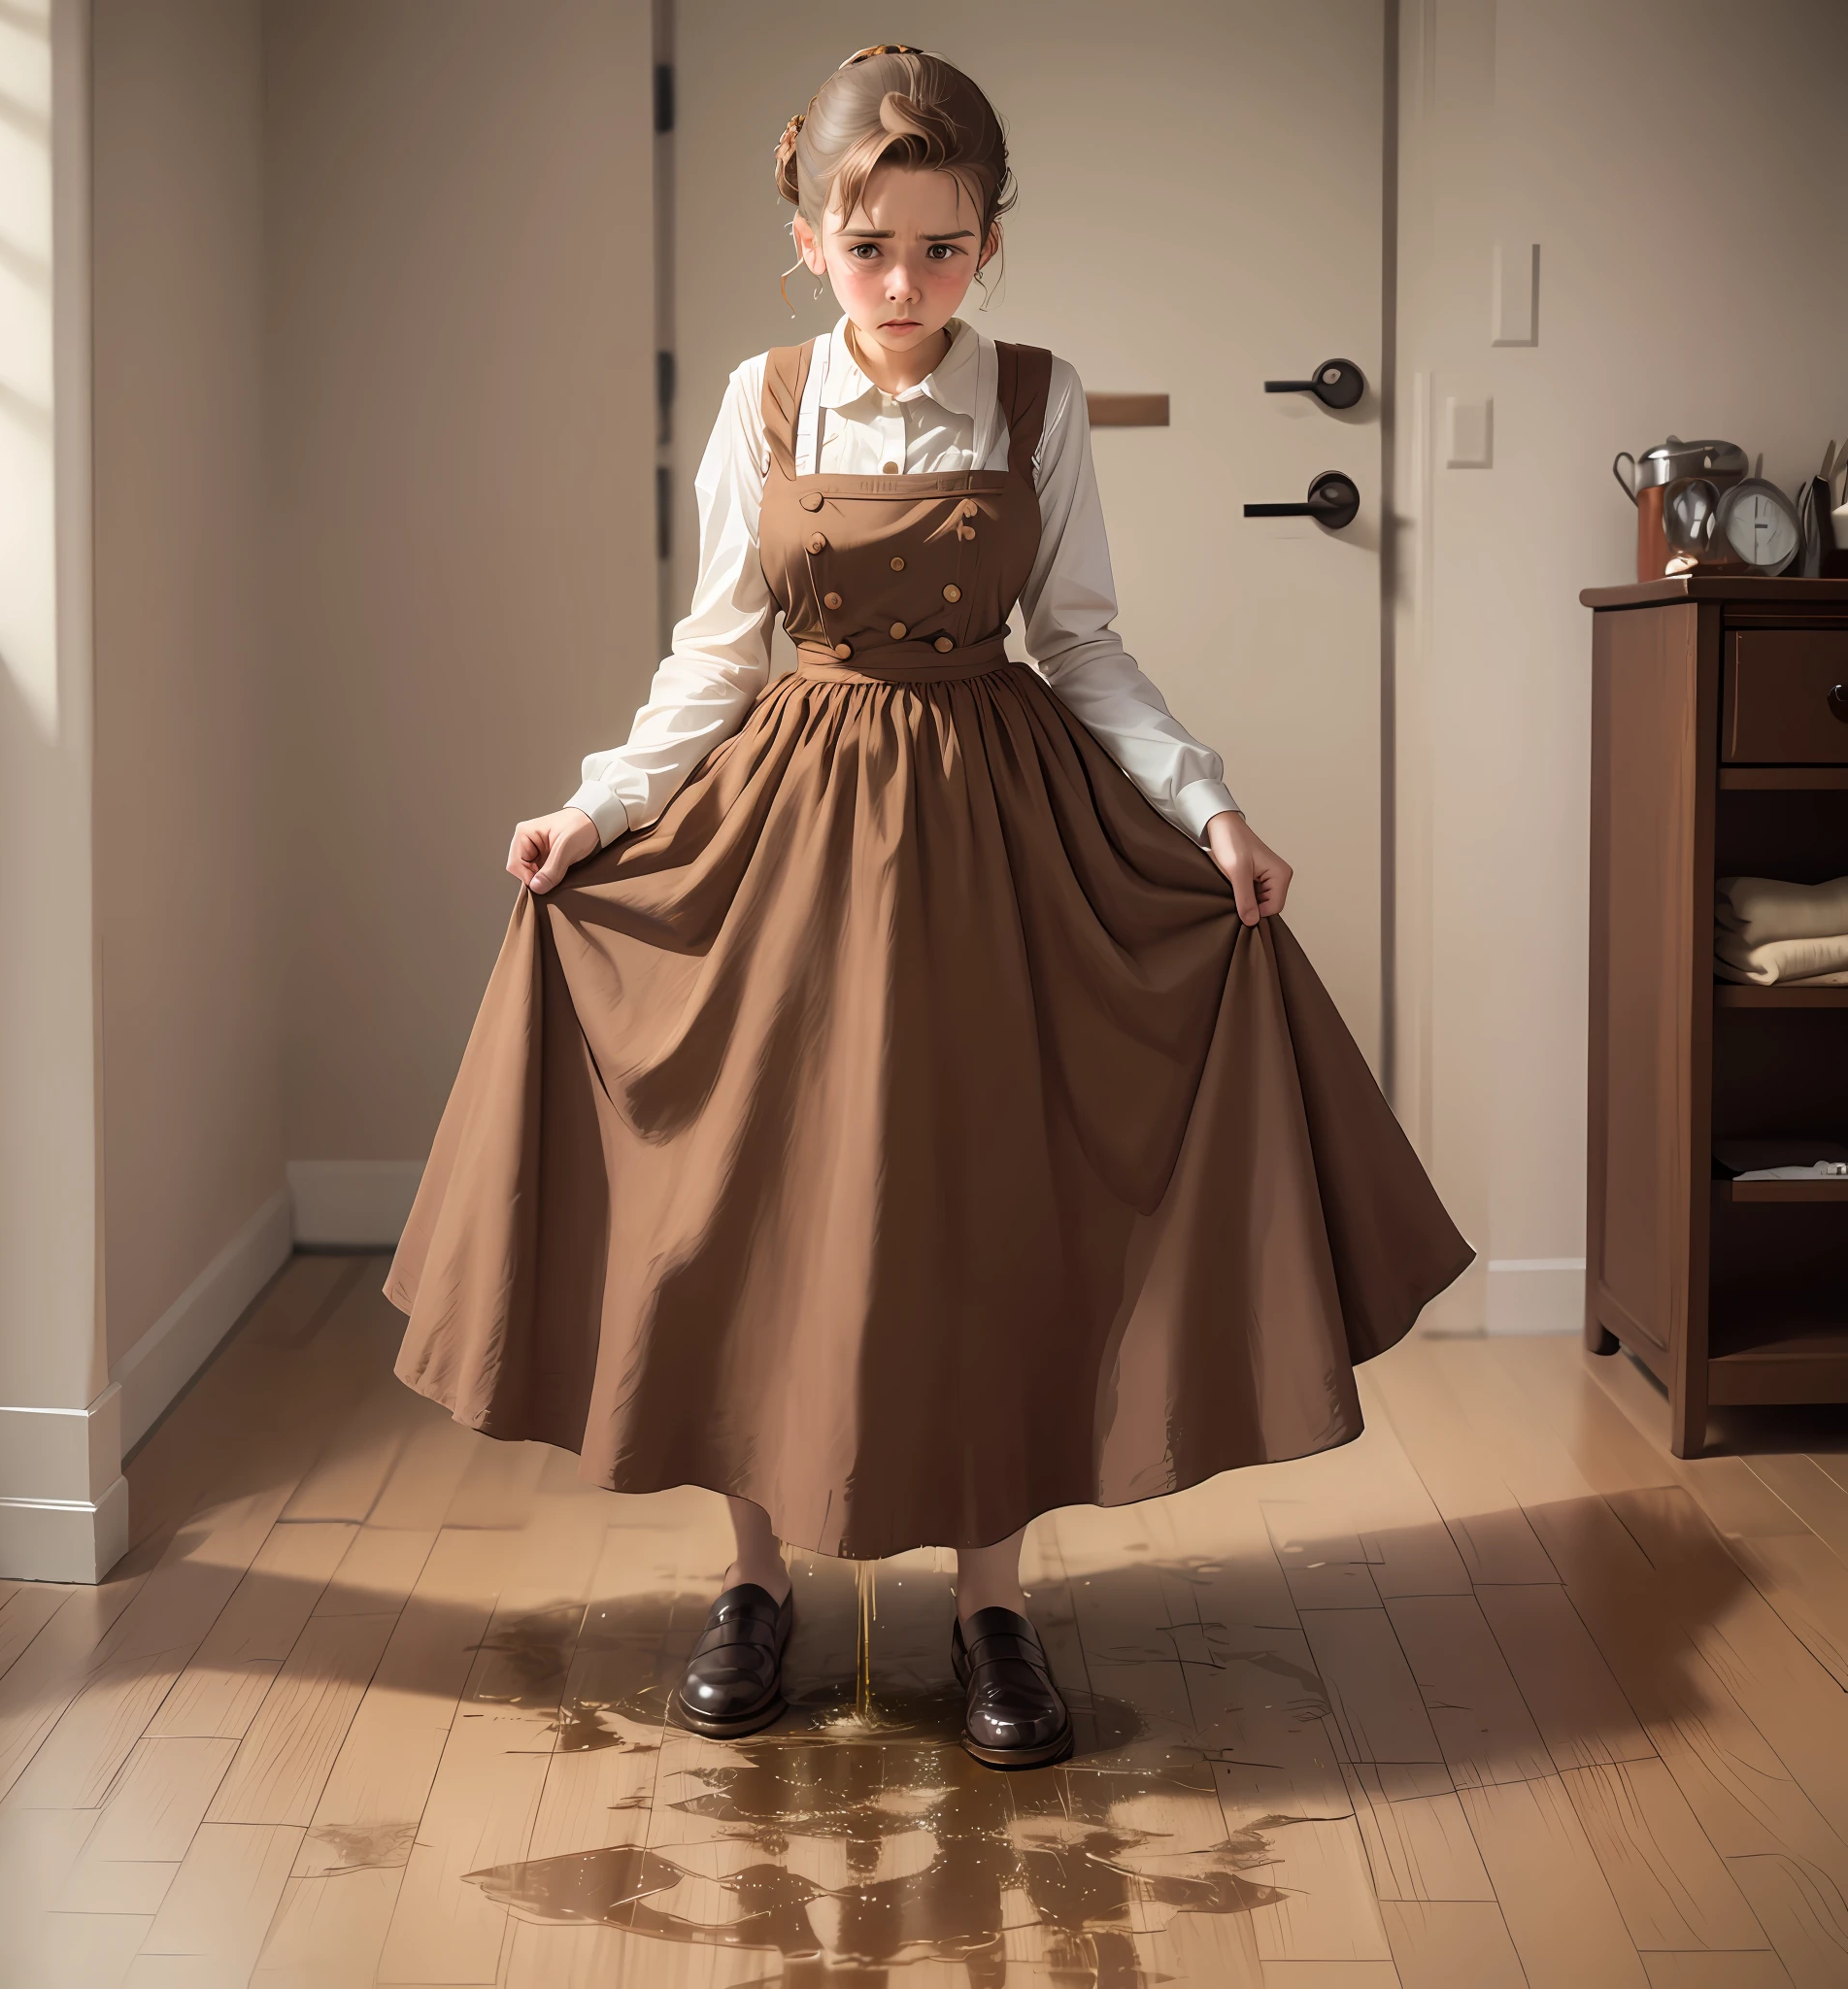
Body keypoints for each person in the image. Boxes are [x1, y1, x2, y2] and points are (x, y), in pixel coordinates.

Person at [385, 44, 1470, 1771]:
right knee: (758, 1200)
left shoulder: (1036, 400)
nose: (905, 285)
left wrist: (1210, 808)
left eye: (942, 248)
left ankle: (992, 1602)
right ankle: (754, 1584)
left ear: (990, 244)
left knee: (983, 1205)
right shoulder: (760, 404)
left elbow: (1084, 643)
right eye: (869, 244)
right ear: (811, 236)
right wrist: (595, 804)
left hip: (993, 844)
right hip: (788, 840)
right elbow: (715, 656)